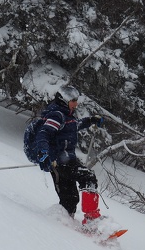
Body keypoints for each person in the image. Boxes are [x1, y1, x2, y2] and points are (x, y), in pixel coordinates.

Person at [35, 86, 104, 230]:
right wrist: (43, 152)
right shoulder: (57, 115)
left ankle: (63, 225)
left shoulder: (67, 116)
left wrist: (90, 120)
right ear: (64, 100)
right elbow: (44, 133)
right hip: (59, 161)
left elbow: (74, 126)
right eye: (73, 100)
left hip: (67, 160)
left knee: (70, 199)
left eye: (76, 100)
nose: (76, 104)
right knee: (88, 176)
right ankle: (92, 220)